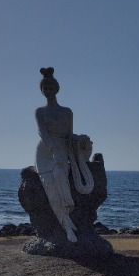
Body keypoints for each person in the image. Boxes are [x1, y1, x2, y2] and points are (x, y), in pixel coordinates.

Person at [35, 67, 78, 242]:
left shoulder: (67, 111)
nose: (48, 91)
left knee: (61, 175)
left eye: (51, 87)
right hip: (45, 151)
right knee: (51, 188)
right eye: (45, 88)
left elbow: (70, 135)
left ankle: (67, 215)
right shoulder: (40, 111)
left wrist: (79, 141)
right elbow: (42, 132)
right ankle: (67, 227)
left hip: (62, 148)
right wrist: (54, 150)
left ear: (57, 89)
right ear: (42, 90)